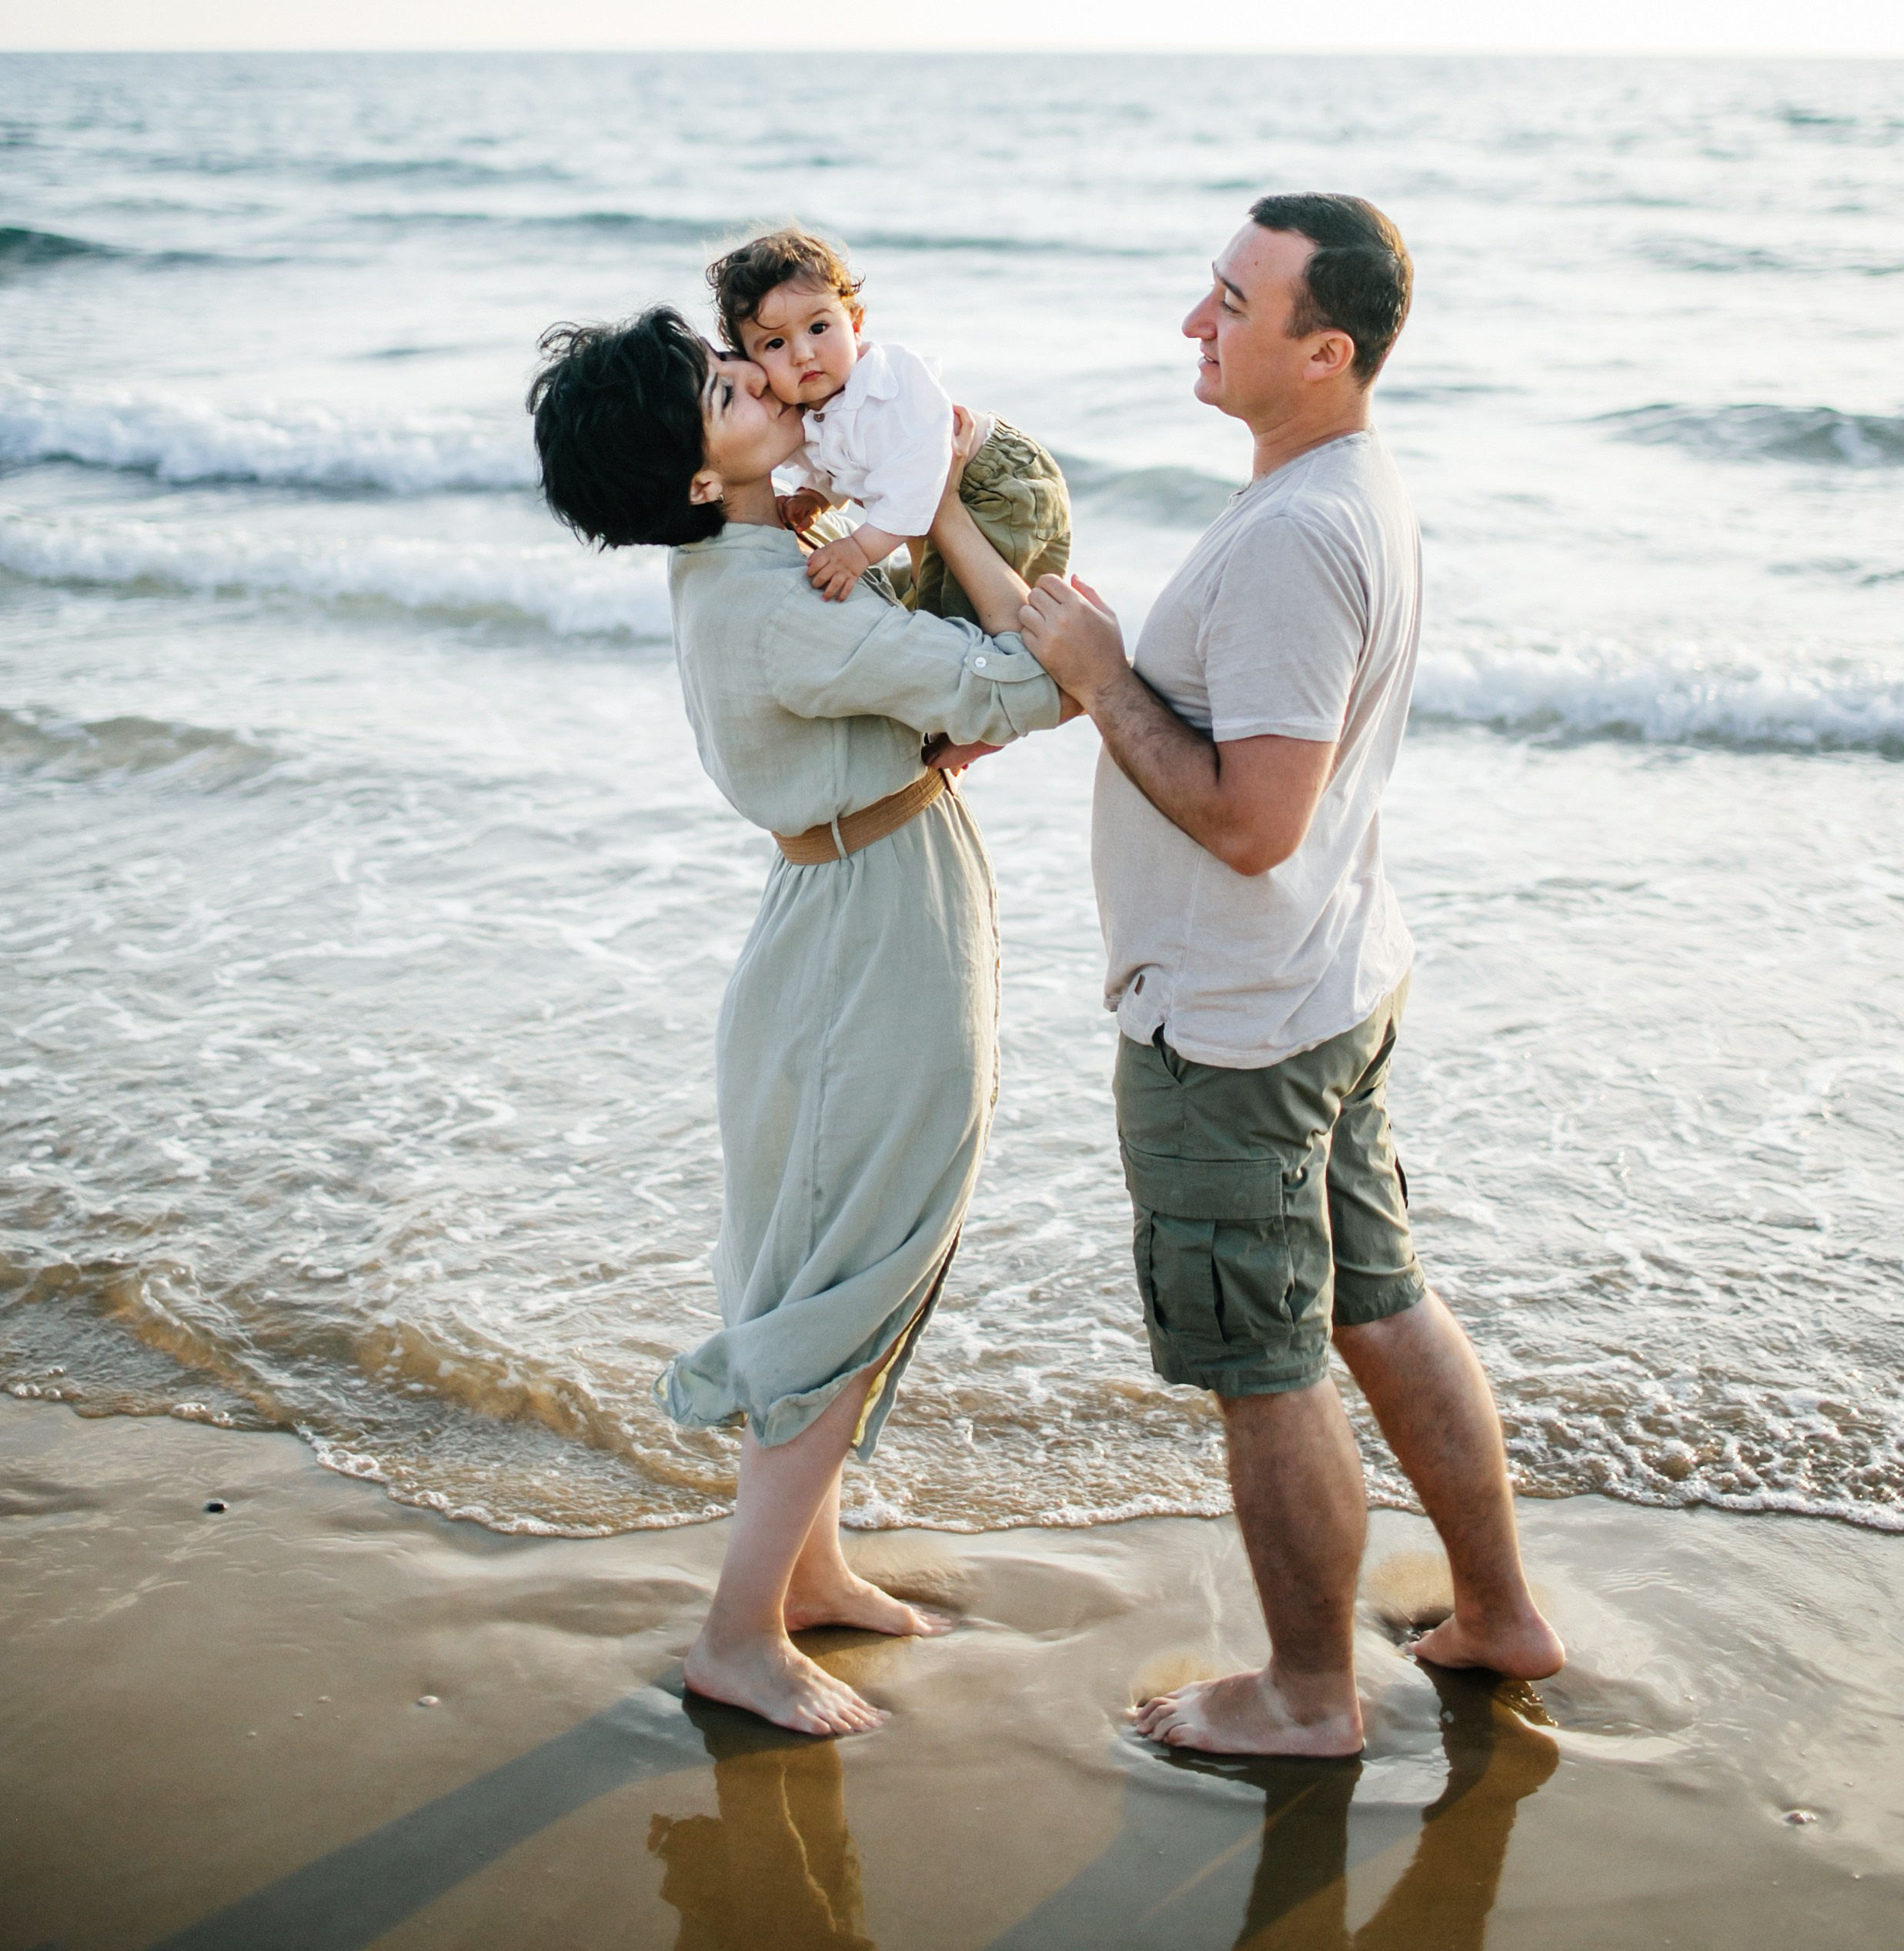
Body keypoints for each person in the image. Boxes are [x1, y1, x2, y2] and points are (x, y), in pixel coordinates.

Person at [1019, 194, 1563, 1759]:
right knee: (1376, 1302)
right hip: (1325, 983)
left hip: (1239, 1022)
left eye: (1231, 305)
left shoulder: (1293, 538)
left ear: (1321, 352)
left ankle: (1307, 1696)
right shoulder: (1343, 491)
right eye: (1206, 290)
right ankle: (1499, 1614)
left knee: (1263, 1367)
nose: (1193, 324)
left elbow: (1253, 824)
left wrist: (1098, 677)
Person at [528, 303, 1069, 1739]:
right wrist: (951, 512)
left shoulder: (749, 559)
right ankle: (737, 1633)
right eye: (729, 385)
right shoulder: (779, 599)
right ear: (701, 476)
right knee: (853, 1267)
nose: (768, 376)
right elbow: (1037, 679)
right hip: (867, 932)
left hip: (847, 906)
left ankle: (811, 1565)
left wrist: (869, 509)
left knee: (831, 1252)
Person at [706, 224, 1071, 623]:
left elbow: (917, 472)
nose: (803, 353)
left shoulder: (887, 384)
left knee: (983, 616)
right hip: (931, 501)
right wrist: (816, 496)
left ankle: (1049, 666)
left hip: (995, 484)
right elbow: (841, 457)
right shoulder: (805, 409)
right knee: (942, 603)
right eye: (775, 344)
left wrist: (860, 549)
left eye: (818, 328)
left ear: (856, 323)